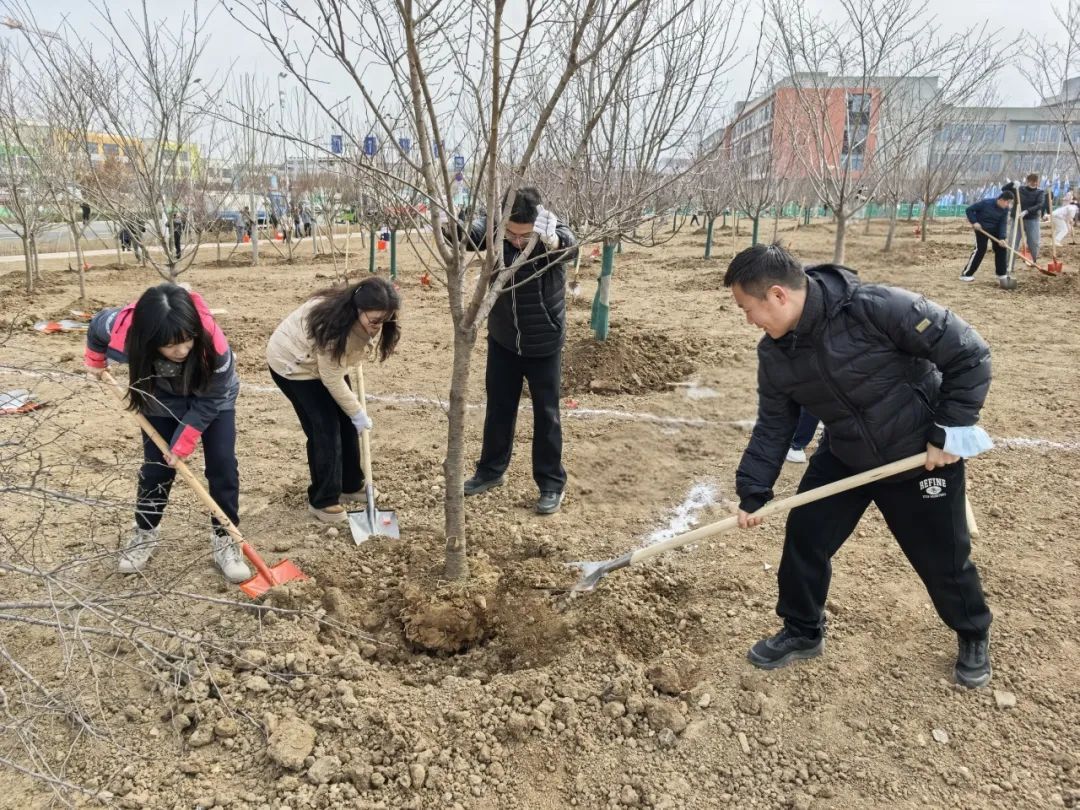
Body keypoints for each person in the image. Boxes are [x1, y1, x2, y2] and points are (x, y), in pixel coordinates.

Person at [724, 243, 994, 688]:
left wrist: (948, 431)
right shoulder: (775, 354)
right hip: (846, 454)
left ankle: (973, 631)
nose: (749, 320)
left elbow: (970, 353)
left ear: (777, 295)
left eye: (746, 309)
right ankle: (802, 629)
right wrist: (754, 490)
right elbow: (775, 425)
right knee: (806, 536)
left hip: (918, 456)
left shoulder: (878, 308)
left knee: (942, 559)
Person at [84, 284, 249, 583]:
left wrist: (183, 444)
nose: (182, 351)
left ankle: (225, 538)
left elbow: (211, 400)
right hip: (159, 397)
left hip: (212, 397)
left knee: (223, 464)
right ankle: (145, 532)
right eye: (171, 345)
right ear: (148, 338)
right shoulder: (123, 329)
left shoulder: (214, 346)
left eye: (187, 341)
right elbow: (96, 327)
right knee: (156, 469)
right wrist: (96, 360)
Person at [455, 188, 578, 514]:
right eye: (511, 234)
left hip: (544, 342)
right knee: (499, 408)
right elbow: (470, 235)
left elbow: (570, 246)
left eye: (525, 236)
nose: (518, 242)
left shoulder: (550, 230)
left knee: (547, 415)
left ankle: (551, 484)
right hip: (503, 339)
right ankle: (490, 471)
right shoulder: (495, 230)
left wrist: (552, 242)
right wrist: (448, 224)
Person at [267, 277, 401, 524]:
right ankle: (323, 499)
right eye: (374, 321)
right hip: (293, 364)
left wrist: (352, 414)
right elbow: (331, 378)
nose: (379, 326)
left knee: (346, 422)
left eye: (385, 320)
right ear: (358, 310)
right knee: (325, 428)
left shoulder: (362, 317)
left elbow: (336, 367)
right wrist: (357, 411)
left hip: (322, 361)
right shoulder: (333, 328)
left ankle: (350, 483)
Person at [960, 191, 1013, 283]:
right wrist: (974, 222)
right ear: (1001, 200)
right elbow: (969, 210)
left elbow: (1002, 223)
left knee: (1001, 247)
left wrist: (1002, 238)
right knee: (981, 249)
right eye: (1007, 202)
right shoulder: (986, 203)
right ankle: (966, 274)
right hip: (981, 228)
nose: (1008, 205)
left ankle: (1001, 274)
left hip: (995, 229)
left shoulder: (1005, 209)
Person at [1013, 174, 1051, 262]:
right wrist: (1012, 185)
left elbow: (1040, 204)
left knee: (1034, 242)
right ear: (1027, 181)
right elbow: (1006, 191)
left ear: (1037, 182)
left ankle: (1034, 260)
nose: (1033, 183)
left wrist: (1027, 211)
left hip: (1032, 219)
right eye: (1031, 181)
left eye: (1035, 181)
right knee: (1013, 241)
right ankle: (1009, 264)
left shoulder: (1040, 192)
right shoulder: (1020, 189)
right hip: (1018, 218)